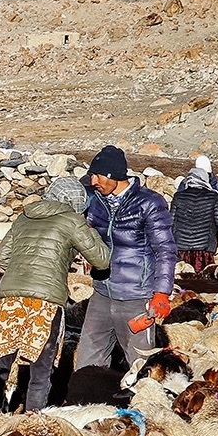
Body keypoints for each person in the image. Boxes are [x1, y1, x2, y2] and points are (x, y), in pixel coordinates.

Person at [0, 177, 110, 412]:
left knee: (1, 362)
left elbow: (1, 257)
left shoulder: (25, 216)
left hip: (10, 298)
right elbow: (102, 259)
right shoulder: (72, 220)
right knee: (41, 369)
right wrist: (87, 231)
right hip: (45, 303)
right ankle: (34, 422)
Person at [75, 145, 177, 370]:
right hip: (101, 294)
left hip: (136, 299)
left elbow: (166, 250)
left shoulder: (149, 203)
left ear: (113, 175)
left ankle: (143, 405)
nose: (93, 181)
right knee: (86, 364)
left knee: (140, 366)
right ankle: (89, 404)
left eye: (98, 176)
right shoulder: (95, 201)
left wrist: (162, 292)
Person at [171, 166, 218, 272]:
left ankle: (183, 290)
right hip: (203, 249)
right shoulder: (213, 197)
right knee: (202, 281)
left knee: (181, 278)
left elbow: (170, 221)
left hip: (181, 247)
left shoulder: (179, 196)